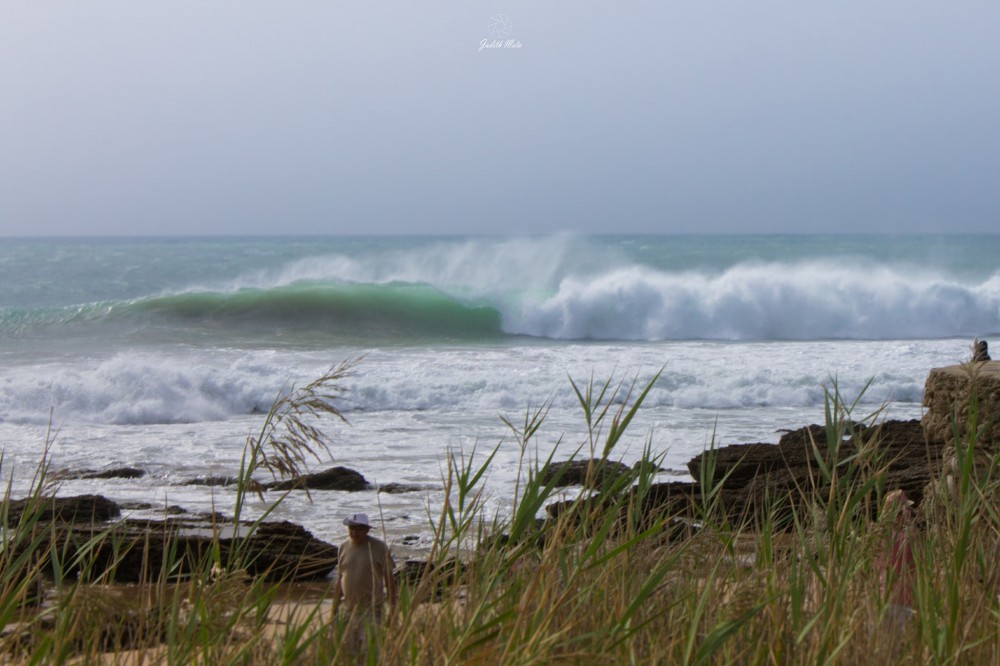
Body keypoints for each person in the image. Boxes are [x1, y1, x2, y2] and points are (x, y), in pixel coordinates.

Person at [334, 512, 396, 655]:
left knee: (371, 653)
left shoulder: (379, 547)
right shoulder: (343, 547)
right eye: (351, 528)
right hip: (349, 610)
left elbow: (390, 581)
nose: (354, 532)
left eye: (359, 529)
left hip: (372, 611)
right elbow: (340, 579)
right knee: (349, 653)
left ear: (367, 530)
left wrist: (393, 609)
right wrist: (334, 609)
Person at [876, 489, 917, 629]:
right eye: (906, 510)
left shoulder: (878, 535)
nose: (910, 512)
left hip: (881, 597)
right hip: (903, 599)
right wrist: (911, 524)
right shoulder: (906, 537)